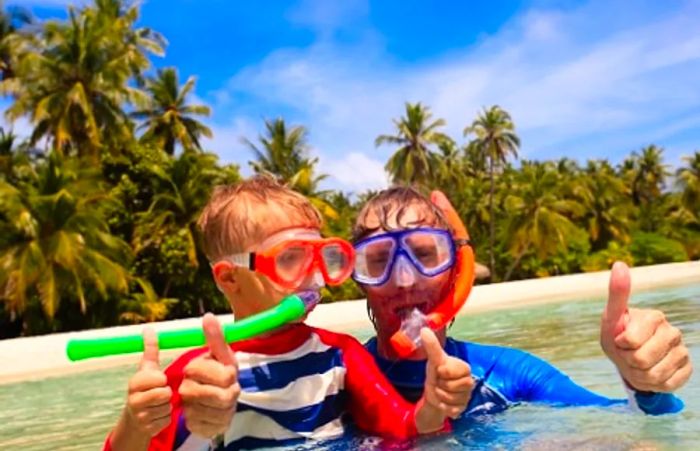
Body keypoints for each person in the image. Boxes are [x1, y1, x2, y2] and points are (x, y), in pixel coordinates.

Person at [104, 176, 474, 451]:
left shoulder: (339, 356)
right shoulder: (196, 377)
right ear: (230, 278)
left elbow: (404, 430)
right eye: (290, 259)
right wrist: (136, 422)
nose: (313, 276)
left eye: (322, 257)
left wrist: (433, 406)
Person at [352, 186, 692, 417]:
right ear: (358, 279)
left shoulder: (510, 374)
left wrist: (645, 388)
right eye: (378, 261)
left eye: (426, 254)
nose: (405, 280)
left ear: (457, 271)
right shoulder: (332, 382)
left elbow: (626, 423)